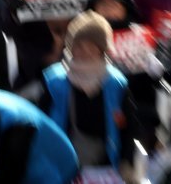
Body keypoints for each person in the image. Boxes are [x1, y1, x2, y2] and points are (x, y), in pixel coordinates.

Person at [37, 11, 136, 172]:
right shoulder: (54, 80)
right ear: (70, 47)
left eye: (92, 46)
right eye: (79, 46)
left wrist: (126, 161)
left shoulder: (116, 83)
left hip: (106, 164)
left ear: (102, 49)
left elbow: (128, 128)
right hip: (61, 163)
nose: (85, 51)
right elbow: (41, 123)